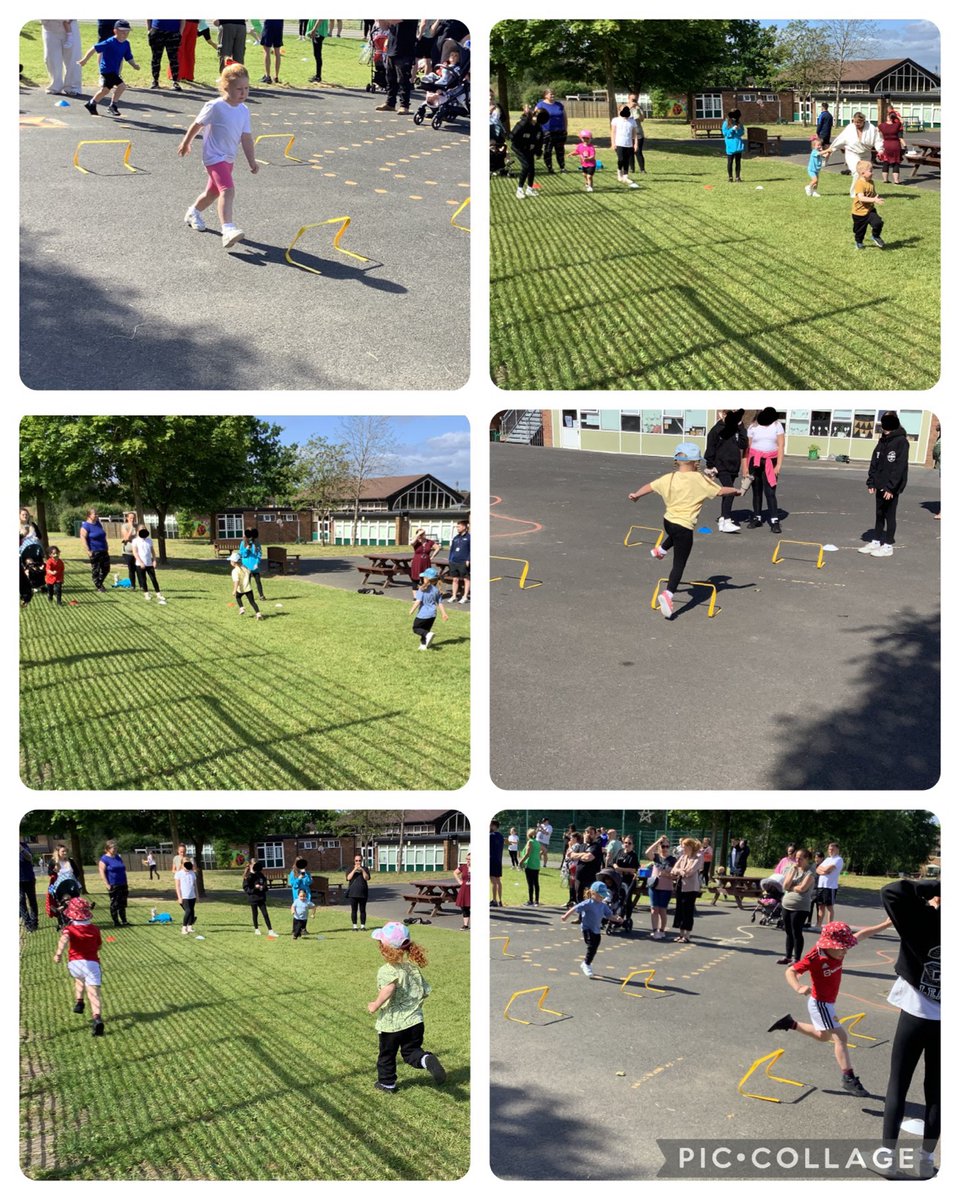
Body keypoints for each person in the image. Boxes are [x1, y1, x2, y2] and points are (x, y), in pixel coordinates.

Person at [768, 917, 892, 1096]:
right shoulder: (815, 957)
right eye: (841, 949)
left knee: (822, 1037)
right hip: (821, 1003)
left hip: (828, 1002)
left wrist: (886, 924)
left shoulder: (839, 947)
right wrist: (798, 986)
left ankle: (790, 1023)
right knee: (840, 1037)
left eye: (845, 948)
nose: (845, 952)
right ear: (829, 945)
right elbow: (791, 971)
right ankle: (848, 1077)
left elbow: (863, 934)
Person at [628, 442, 742, 619]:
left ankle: (661, 549)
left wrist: (636, 494)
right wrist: (735, 490)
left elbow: (650, 486)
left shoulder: (670, 478)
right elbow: (720, 491)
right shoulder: (699, 479)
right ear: (696, 463)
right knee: (679, 564)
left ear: (677, 460)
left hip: (668, 521)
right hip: (684, 526)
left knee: (674, 534)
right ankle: (669, 594)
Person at [879, 879, 940, 1178]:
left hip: (917, 1011)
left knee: (898, 1084)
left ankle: (887, 1156)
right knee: (938, 1093)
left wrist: (935, 885)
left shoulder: (923, 920)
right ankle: (926, 1160)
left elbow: (892, 891)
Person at [179, 63, 259, 251]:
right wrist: (186, 142)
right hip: (214, 157)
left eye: (246, 88)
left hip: (228, 158)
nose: (243, 93)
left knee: (213, 193)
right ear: (225, 87)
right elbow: (197, 124)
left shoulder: (243, 110)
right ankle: (228, 230)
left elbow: (246, 138)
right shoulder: (215, 106)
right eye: (239, 89)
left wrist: (252, 161)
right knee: (227, 190)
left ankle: (193, 212)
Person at [368, 922, 446, 1092]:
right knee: (411, 1052)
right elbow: (425, 991)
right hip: (415, 1022)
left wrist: (375, 1004)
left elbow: (388, 989)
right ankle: (426, 1059)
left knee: (387, 1055)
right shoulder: (412, 969)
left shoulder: (387, 970)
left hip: (392, 1025)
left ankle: (387, 1083)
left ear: (385, 948)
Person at [53, 896, 104, 1036]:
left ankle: (79, 1002)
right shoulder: (94, 929)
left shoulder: (69, 929)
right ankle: (97, 1018)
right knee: (93, 993)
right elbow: (99, 946)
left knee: (79, 980)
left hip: (75, 964)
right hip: (92, 964)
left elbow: (63, 940)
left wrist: (58, 954)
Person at [861, 412, 909, 558]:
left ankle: (888, 545)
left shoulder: (901, 441)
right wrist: (871, 481)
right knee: (879, 514)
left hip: (891, 487)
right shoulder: (882, 441)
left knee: (890, 515)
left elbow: (899, 467)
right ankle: (876, 541)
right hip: (880, 483)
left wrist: (891, 487)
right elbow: (875, 461)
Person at [77, 20, 139, 118]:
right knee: (122, 86)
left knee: (105, 90)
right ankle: (112, 106)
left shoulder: (126, 44)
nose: (124, 34)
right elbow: (94, 48)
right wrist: (85, 60)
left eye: (127, 31)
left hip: (114, 70)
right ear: (115, 31)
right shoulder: (110, 42)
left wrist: (134, 65)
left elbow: (128, 57)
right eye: (122, 31)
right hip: (106, 69)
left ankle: (91, 103)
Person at [561, 880, 624, 977]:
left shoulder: (603, 905)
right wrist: (565, 916)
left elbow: (609, 915)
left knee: (594, 947)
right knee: (591, 945)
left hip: (596, 929)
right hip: (587, 928)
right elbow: (575, 908)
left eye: (603, 895)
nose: (602, 897)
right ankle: (586, 964)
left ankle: (586, 963)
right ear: (593, 893)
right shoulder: (588, 903)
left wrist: (617, 918)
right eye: (600, 895)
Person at [704, 408, 748, 533]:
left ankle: (723, 519)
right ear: (722, 414)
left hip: (733, 465)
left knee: (727, 492)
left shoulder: (736, 429)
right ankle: (727, 520)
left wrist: (741, 426)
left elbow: (743, 445)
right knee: (730, 491)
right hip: (720, 466)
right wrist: (710, 466)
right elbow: (710, 449)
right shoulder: (716, 430)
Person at [823, 112, 884, 196]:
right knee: (856, 172)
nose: (856, 124)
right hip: (852, 153)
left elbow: (877, 140)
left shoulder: (871, 128)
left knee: (866, 173)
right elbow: (840, 139)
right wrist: (831, 150)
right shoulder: (850, 128)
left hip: (866, 153)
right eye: (855, 122)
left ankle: (866, 191)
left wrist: (880, 150)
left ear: (864, 121)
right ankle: (854, 193)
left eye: (858, 122)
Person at [746, 407, 785, 532]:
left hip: (770, 461)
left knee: (770, 492)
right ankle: (757, 517)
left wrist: (778, 465)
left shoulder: (776, 425)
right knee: (756, 491)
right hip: (755, 461)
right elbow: (748, 448)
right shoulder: (752, 427)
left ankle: (774, 521)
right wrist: (745, 468)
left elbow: (781, 445)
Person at [778, 848, 817, 965]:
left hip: (800, 907)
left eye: (800, 858)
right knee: (788, 931)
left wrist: (792, 887)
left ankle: (797, 958)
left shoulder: (810, 872)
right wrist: (793, 873)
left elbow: (802, 889)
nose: (797, 860)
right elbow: (785, 885)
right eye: (796, 858)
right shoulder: (793, 869)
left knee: (796, 932)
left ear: (807, 859)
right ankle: (788, 956)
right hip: (786, 904)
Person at [375, 19, 418, 114]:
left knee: (403, 79)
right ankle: (390, 103)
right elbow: (384, 27)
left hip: (405, 48)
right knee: (390, 78)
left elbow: (395, 20)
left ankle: (404, 105)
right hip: (392, 46)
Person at [670, 838, 704, 943]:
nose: (682, 849)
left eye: (684, 847)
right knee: (680, 909)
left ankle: (687, 935)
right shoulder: (683, 857)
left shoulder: (698, 857)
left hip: (691, 888)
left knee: (688, 910)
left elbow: (689, 872)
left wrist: (680, 871)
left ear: (690, 847)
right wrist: (680, 871)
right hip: (681, 886)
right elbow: (673, 870)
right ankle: (681, 934)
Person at [511, 106, 548, 200]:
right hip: (518, 147)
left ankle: (529, 189)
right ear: (534, 115)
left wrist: (539, 152)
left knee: (531, 168)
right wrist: (525, 144)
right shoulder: (523, 124)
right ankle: (519, 190)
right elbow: (512, 136)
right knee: (526, 166)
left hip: (529, 149)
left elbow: (539, 140)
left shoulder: (538, 128)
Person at [849, 159, 886, 251]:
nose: (872, 173)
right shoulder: (860, 183)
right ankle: (859, 242)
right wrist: (874, 200)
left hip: (869, 210)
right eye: (870, 171)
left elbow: (872, 194)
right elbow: (861, 198)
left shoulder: (871, 182)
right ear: (862, 173)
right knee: (859, 231)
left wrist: (876, 197)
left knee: (878, 222)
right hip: (859, 213)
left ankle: (876, 236)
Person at [408, 566, 448, 649]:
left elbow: (418, 601)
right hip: (433, 614)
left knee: (416, 628)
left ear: (426, 579)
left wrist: (411, 610)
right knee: (425, 629)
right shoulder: (436, 590)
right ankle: (423, 645)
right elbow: (440, 603)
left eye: (423, 577)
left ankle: (428, 635)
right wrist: (444, 613)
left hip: (423, 614)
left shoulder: (422, 589)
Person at [41, 19, 83, 97]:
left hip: (69, 24)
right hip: (49, 25)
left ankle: (73, 87)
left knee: (73, 57)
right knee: (50, 58)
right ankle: (55, 86)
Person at [97, 841, 129, 928]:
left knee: (122, 903)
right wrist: (107, 884)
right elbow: (102, 872)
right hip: (113, 884)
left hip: (123, 883)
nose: (115, 849)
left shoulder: (118, 857)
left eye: (116, 847)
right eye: (113, 848)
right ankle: (116, 922)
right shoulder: (104, 859)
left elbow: (122, 868)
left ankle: (124, 921)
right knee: (115, 903)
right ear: (107, 849)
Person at [535, 89, 568, 174]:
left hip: (560, 131)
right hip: (547, 132)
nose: (553, 96)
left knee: (560, 151)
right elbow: (535, 118)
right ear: (545, 95)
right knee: (548, 151)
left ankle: (562, 167)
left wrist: (565, 129)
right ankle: (549, 168)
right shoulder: (540, 105)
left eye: (553, 94)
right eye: (551, 94)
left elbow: (564, 117)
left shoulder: (559, 105)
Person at [146, 18, 184, 91]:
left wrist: (180, 32)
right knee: (156, 58)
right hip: (157, 30)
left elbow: (183, 19)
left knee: (173, 58)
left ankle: (175, 81)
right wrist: (149, 29)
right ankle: (155, 80)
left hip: (173, 32)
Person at [79, 508, 110, 593]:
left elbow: (103, 536)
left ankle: (99, 583)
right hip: (94, 550)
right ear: (89, 515)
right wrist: (88, 550)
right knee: (96, 569)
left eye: (97, 514)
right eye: (95, 514)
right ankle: (99, 586)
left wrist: (106, 545)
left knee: (106, 569)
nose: (97, 515)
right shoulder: (85, 526)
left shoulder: (98, 524)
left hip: (103, 549)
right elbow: (83, 538)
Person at [243, 859, 277, 936]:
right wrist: (255, 888)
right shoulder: (248, 876)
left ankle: (270, 931)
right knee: (255, 914)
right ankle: (256, 929)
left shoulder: (261, 875)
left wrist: (262, 887)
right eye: (253, 864)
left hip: (261, 898)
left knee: (265, 914)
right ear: (251, 865)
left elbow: (266, 886)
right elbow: (246, 888)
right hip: (253, 898)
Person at [132, 526, 165, 603]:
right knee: (143, 579)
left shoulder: (149, 540)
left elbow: (152, 551)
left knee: (153, 579)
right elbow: (135, 552)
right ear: (138, 531)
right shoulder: (135, 541)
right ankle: (146, 593)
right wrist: (140, 562)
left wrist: (154, 560)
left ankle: (158, 594)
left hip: (149, 563)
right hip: (140, 564)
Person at [610, 106, 639, 188]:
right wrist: (613, 143)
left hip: (629, 144)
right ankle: (619, 172)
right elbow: (613, 132)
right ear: (619, 111)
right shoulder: (615, 120)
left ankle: (625, 176)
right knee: (621, 159)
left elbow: (635, 134)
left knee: (627, 160)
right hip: (619, 143)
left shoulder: (632, 121)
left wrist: (635, 144)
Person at [815, 842, 844, 926]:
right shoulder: (827, 859)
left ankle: (829, 926)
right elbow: (818, 869)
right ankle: (818, 925)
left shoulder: (838, 859)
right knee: (820, 906)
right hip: (821, 885)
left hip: (830, 886)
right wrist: (824, 871)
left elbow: (828, 869)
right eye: (829, 849)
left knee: (829, 907)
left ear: (837, 849)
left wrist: (824, 870)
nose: (830, 851)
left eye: (832, 849)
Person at [229, 551, 263, 618]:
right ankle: (258, 613)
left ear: (233, 562)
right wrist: (254, 567)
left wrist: (234, 590)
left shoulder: (235, 571)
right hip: (248, 588)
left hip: (240, 589)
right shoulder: (245, 568)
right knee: (252, 602)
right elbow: (250, 571)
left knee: (238, 597)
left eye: (230, 561)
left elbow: (236, 581)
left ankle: (241, 608)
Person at [446, 519, 471, 603]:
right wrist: (450, 559)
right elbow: (452, 550)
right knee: (455, 579)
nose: (457, 528)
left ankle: (465, 597)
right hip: (454, 561)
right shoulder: (456, 538)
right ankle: (454, 596)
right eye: (457, 527)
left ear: (464, 527)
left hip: (463, 561)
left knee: (466, 579)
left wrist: (468, 559)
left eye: (459, 526)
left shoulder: (469, 537)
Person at [239, 528, 265, 600]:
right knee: (248, 582)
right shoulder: (242, 543)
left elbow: (259, 554)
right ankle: (249, 597)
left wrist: (257, 563)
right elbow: (243, 554)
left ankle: (261, 596)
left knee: (258, 581)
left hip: (254, 566)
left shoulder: (256, 543)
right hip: (246, 566)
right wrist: (247, 549)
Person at [410, 528, 438, 593]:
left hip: (426, 562)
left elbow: (437, 548)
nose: (422, 535)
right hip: (417, 562)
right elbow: (411, 543)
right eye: (421, 534)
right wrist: (418, 534)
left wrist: (432, 556)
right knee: (415, 579)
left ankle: (425, 594)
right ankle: (415, 597)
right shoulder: (416, 542)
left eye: (423, 533)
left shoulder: (429, 542)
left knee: (426, 578)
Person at [346, 854, 370, 931]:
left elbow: (366, 878)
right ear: (354, 861)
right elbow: (348, 878)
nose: (358, 862)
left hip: (363, 893)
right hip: (353, 893)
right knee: (354, 910)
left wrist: (362, 870)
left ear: (362, 861)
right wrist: (354, 870)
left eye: (359, 860)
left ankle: (363, 926)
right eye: (356, 860)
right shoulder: (350, 868)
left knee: (363, 910)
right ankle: (355, 926)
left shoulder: (365, 868)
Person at [518, 827, 542, 905]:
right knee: (536, 883)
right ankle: (537, 901)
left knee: (530, 883)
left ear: (528, 835)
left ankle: (531, 901)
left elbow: (527, 854)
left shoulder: (530, 842)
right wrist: (538, 856)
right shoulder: (537, 842)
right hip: (537, 864)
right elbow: (544, 850)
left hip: (530, 864)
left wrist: (521, 862)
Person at [20, 838, 39, 933]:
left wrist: (20, 848)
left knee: (32, 901)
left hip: (29, 878)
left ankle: (34, 922)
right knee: (21, 900)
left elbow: (29, 858)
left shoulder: (24, 846)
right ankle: (28, 924)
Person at [175, 859, 199, 934]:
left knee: (192, 911)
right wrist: (179, 897)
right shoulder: (178, 874)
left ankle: (190, 927)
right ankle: (184, 928)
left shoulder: (192, 873)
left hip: (192, 896)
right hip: (184, 896)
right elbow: (177, 886)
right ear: (182, 864)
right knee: (188, 911)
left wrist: (197, 895)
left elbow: (195, 885)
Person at [258, 19, 284, 84]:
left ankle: (268, 76)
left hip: (269, 23)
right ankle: (276, 76)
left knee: (266, 50)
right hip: (279, 24)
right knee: (277, 51)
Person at [722, 109, 745, 182]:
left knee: (738, 162)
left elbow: (741, 133)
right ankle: (730, 177)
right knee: (730, 162)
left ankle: (737, 177)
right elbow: (726, 134)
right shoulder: (726, 123)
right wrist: (732, 129)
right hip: (730, 145)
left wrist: (737, 129)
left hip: (738, 145)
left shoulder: (739, 123)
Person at [627, 93, 646, 173]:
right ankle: (632, 169)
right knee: (630, 152)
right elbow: (621, 116)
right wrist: (630, 107)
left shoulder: (639, 107)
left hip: (638, 133)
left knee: (638, 151)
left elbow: (642, 119)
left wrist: (638, 109)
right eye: (633, 99)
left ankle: (642, 169)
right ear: (628, 99)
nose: (634, 101)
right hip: (629, 133)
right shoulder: (625, 107)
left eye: (635, 99)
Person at [306, 19, 330, 83]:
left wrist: (314, 29)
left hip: (318, 32)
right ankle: (318, 75)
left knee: (317, 54)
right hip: (317, 31)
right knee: (317, 54)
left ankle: (318, 76)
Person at [119, 510, 139, 586]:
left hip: (137, 551)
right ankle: (133, 585)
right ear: (127, 518)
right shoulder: (125, 526)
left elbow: (140, 537)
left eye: (133, 518)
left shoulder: (138, 526)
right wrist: (131, 527)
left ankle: (142, 585)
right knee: (131, 569)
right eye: (130, 518)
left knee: (138, 568)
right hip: (128, 552)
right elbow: (126, 537)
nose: (132, 519)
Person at [489, 820, 504, 908]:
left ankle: (494, 900)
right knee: (498, 881)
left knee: (493, 881)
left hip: (491, 860)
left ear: (493, 826)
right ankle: (500, 900)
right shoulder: (501, 836)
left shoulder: (490, 836)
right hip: (498, 860)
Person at [454, 852, 470, 931]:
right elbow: (455, 872)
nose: (468, 861)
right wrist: (459, 881)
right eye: (467, 859)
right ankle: (465, 925)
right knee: (464, 907)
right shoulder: (463, 867)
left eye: (469, 859)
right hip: (464, 889)